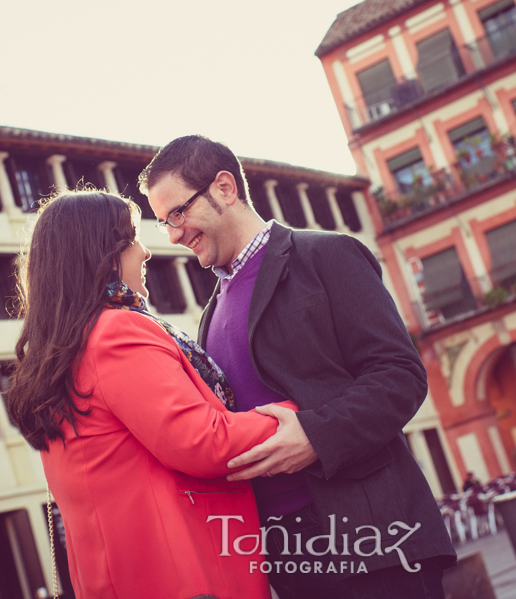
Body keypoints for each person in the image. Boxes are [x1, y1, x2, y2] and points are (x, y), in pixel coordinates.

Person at [140, 136, 457, 599]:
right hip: (290, 560)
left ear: (225, 189)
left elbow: (400, 375)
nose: (171, 234)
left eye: (177, 214)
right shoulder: (209, 315)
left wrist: (316, 435)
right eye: (163, 221)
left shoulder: (328, 254)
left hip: (375, 546)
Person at [5, 189, 297, 599]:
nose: (145, 252)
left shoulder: (60, 352)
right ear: (100, 254)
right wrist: (300, 415)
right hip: (185, 577)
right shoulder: (114, 332)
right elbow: (203, 441)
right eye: (131, 238)